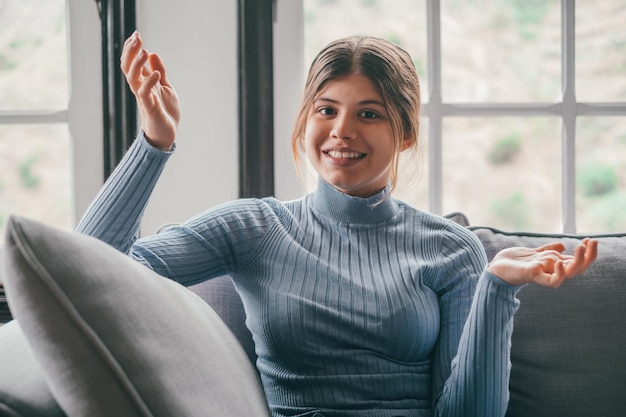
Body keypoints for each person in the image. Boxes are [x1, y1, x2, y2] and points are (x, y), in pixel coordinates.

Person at [77, 31, 598, 417]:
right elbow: (90, 268)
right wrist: (155, 142)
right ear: (306, 119)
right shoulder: (255, 228)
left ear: (405, 132)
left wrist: (498, 288)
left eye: (369, 114)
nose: (342, 131)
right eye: (326, 109)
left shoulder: (451, 250)